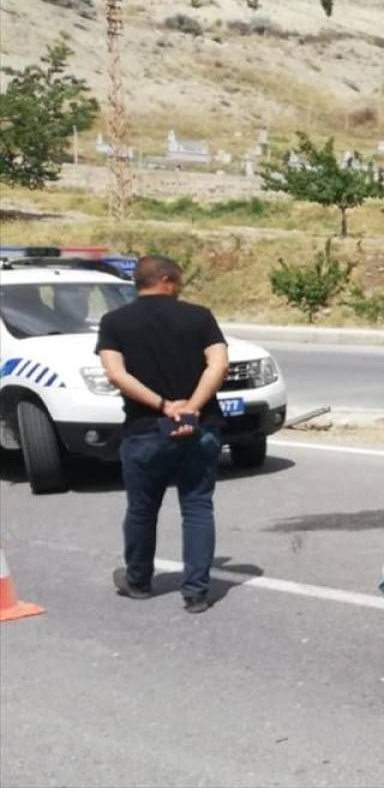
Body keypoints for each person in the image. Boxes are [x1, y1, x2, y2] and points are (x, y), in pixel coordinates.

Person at [97, 255, 229, 614]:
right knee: (198, 506)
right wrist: (193, 406)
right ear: (168, 280)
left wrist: (163, 405)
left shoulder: (114, 322)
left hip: (145, 429)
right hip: (200, 426)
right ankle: (197, 593)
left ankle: (138, 582)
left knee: (142, 509)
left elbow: (116, 374)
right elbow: (218, 364)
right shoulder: (200, 317)